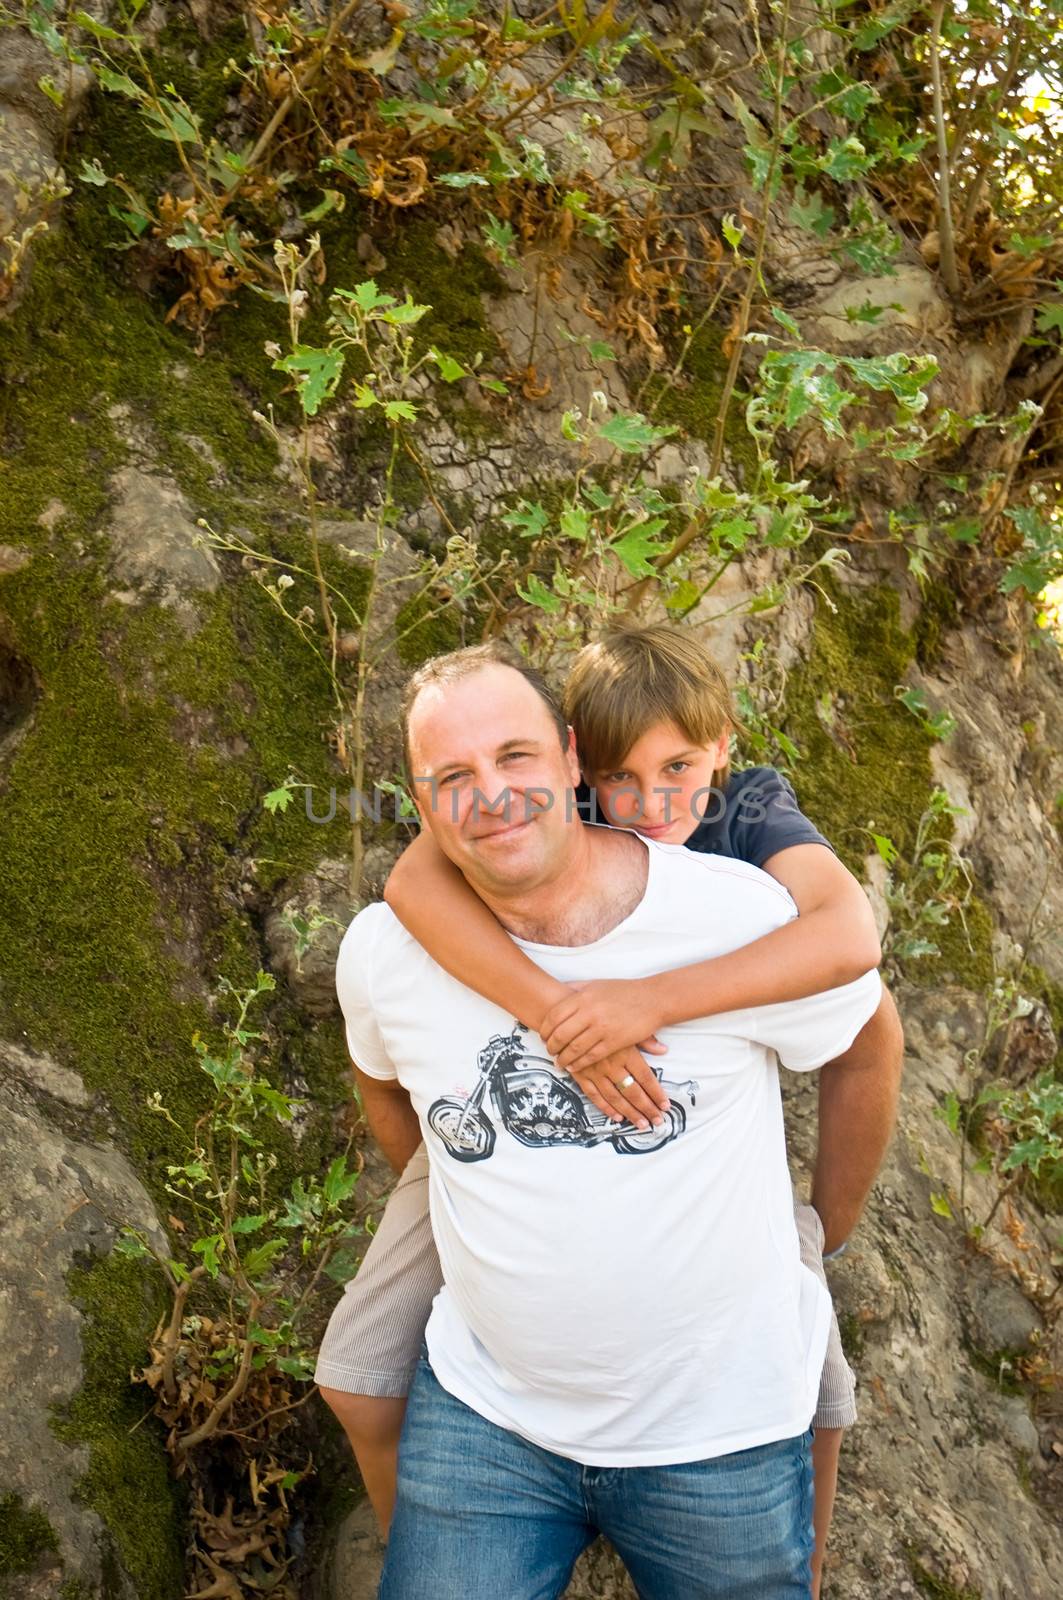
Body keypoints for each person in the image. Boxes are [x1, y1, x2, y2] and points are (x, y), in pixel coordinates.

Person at [318, 635, 902, 1599]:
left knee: (817, 1377)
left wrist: (821, 1225)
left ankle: (808, 1553)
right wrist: (533, 1051)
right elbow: (408, 901)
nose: (655, 801)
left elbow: (855, 982)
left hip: (719, 1427)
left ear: (561, 756)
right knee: (357, 1370)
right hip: (491, 1415)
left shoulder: (746, 877)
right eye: (452, 776)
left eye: (513, 757)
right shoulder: (397, 939)